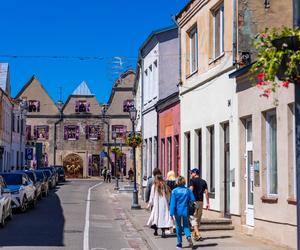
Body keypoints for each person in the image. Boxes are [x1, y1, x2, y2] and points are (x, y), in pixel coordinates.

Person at [170, 176, 195, 249]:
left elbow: (173, 203)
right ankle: (188, 236)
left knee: (178, 226)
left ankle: (179, 243)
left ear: (177, 182)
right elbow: (193, 199)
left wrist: (171, 213)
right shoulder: (188, 190)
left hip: (177, 211)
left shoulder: (174, 191)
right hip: (185, 210)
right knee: (186, 225)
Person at [189, 168, 209, 241]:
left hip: (193, 202)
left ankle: (196, 234)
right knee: (198, 219)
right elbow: (206, 192)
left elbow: (190, 190)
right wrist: (207, 203)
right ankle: (196, 235)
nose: (191, 174)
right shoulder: (204, 182)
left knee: (194, 218)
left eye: (191, 173)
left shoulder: (192, 181)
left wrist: (189, 199)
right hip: (201, 202)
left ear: (195, 173)